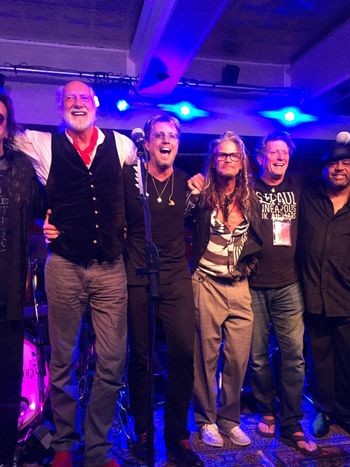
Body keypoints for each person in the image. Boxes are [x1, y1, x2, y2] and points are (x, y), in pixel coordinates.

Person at [15, 80, 136, 467]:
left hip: (110, 268)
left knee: (113, 359)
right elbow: (6, 141)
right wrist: (41, 220)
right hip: (64, 266)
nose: (78, 104)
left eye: (84, 98)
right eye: (70, 99)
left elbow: (141, 184)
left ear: (96, 104)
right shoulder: (42, 145)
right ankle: (65, 443)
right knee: (63, 360)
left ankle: (97, 447)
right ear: (59, 107)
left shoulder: (121, 145)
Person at [124, 114, 203, 466]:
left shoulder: (187, 184)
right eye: (159, 135)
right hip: (138, 274)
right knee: (140, 356)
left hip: (174, 276)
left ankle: (177, 436)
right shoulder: (132, 178)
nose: (165, 140)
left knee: (184, 352)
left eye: (171, 135)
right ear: (149, 142)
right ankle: (144, 431)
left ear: (178, 143)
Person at [248, 131, 319, 456]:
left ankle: (291, 420)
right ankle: (266, 407)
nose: (279, 158)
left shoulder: (300, 185)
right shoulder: (247, 186)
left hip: (290, 284)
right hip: (253, 285)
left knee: (294, 355)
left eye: (284, 154)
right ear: (261, 156)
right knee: (259, 357)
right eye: (273, 152)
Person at [190, 131, 262, 448]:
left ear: (242, 161)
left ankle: (230, 420)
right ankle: (207, 420)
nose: (228, 160)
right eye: (222, 155)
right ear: (214, 160)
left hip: (239, 285)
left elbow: (259, 237)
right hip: (206, 282)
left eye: (234, 155)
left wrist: (251, 265)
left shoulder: (250, 198)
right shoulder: (202, 194)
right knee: (205, 357)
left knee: (237, 359)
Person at [0, 93, 45, 466]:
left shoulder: (21, 170)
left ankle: (5, 453)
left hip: (8, 295)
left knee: (8, 384)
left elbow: (42, 212)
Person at [299, 141, 350, 438]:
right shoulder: (310, 199)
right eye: (333, 164)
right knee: (321, 361)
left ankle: (345, 411)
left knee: (347, 359)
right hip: (314, 296)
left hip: (346, 296)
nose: (339, 168)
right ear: (324, 170)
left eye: (345, 164)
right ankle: (326, 410)